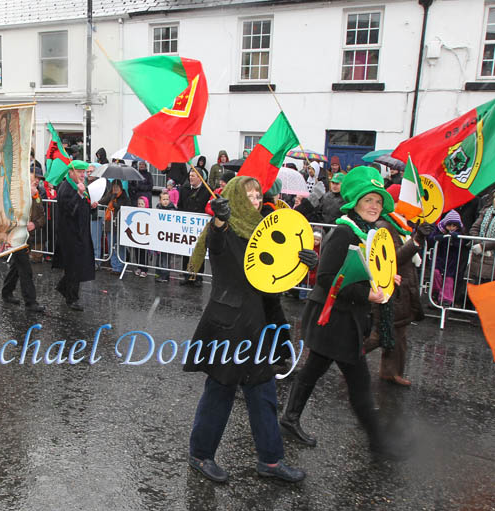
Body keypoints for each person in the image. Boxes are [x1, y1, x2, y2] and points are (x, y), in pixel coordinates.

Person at [185, 176, 313, 484]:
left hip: (257, 326)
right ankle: (200, 454)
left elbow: (278, 274)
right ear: (236, 200)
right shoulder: (225, 230)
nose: (256, 200)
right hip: (228, 328)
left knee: (264, 393)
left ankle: (270, 460)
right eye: (249, 196)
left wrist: (304, 261)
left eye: (258, 195)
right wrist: (218, 220)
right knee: (219, 393)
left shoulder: (264, 233)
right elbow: (215, 245)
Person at [281, 166, 408, 459]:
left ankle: (289, 418)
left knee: (313, 370)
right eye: (368, 201)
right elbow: (326, 277)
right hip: (334, 320)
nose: (375, 206)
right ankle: (379, 444)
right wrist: (367, 293)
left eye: (378, 201)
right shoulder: (343, 233)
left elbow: (364, 272)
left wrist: (387, 279)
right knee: (359, 383)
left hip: (346, 319)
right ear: (356, 203)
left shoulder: (369, 234)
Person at [363, 186, 431, 387]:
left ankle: (390, 372)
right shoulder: (385, 226)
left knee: (399, 333)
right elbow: (392, 258)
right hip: (391, 288)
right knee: (379, 334)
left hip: (402, 290)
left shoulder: (401, 226)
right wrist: (416, 240)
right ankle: (347, 357)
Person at [2, 166, 47, 312]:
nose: (37, 181)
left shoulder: (36, 195)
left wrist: (35, 224)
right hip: (16, 236)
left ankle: (6, 292)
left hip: (27, 237)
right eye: (35, 178)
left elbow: (42, 217)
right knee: (25, 269)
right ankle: (30, 302)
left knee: (17, 266)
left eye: (39, 179)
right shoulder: (17, 193)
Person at [53, 160, 96, 310]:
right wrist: (78, 195)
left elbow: (83, 209)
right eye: (79, 172)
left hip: (81, 232)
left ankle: (64, 288)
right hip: (69, 234)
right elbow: (69, 210)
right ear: (71, 172)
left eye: (84, 172)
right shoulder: (65, 188)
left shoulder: (82, 187)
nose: (82, 175)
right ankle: (71, 298)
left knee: (78, 265)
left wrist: (91, 206)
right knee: (73, 266)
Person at [179, 167, 212, 286]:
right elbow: (180, 206)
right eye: (190, 176)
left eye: (193, 176)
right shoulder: (184, 189)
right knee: (185, 250)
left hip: (200, 227)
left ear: (200, 178)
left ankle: (197, 277)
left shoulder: (207, 191)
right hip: (186, 226)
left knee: (198, 251)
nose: (190, 178)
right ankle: (186, 275)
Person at [429, 210, 467, 306]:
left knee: (449, 279)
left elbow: (462, 244)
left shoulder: (460, 233)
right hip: (439, 257)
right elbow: (431, 239)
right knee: (436, 274)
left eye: (454, 226)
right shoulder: (439, 229)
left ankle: (446, 299)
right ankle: (435, 293)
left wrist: (455, 239)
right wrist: (439, 238)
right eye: (449, 225)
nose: (452, 228)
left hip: (452, 260)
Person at [99, 179, 132, 274]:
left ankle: (119, 267)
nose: (115, 189)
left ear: (121, 187)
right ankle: (114, 267)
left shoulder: (125, 197)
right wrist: (111, 197)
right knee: (111, 246)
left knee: (119, 247)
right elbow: (102, 201)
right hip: (110, 225)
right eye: (114, 187)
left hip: (120, 225)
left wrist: (115, 202)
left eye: (117, 187)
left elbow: (122, 207)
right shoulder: (110, 195)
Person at [469, 193, 495, 285]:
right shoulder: (486, 211)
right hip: (479, 257)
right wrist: (479, 243)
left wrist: (483, 246)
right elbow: (474, 229)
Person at [155, 190, 176, 282]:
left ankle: (165, 276)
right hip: (159, 237)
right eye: (163, 199)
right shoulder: (158, 209)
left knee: (165, 258)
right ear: (160, 200)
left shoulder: (172, 210)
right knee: (158, 257)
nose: (165, 201)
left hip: (167, 238)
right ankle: (157, 273)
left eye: (167, 199)